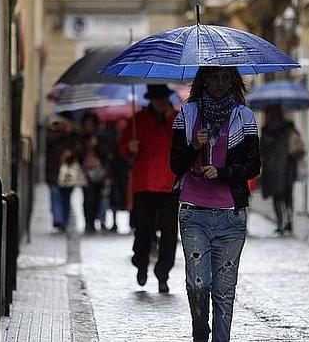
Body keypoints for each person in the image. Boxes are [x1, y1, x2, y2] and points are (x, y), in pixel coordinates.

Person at [171, 66, 260, 342]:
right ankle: (200, 331)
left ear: (233, 80)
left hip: (230, 216)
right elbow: (175, 165)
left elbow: (253, 165)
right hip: (193, 213)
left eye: (225, 77)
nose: (220, 83)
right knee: (198, 284)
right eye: (213, 77)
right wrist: (194, 148)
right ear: (203, 81)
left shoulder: (243, 117)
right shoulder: (186, 116)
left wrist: (223, 173)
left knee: (224, 290)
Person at [119, 84, 180, 293]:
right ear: (150, 100)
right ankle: (141, 262)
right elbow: (123, 149)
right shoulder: (138, 120)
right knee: (143, 230)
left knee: (170, 232)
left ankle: (163, 272)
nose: (161, 102)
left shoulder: (177, 119)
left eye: (163, 98)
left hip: (169, 184)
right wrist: (130, 147)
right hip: (144, 184)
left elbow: (186, 146)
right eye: (156, 99)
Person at [260, 104, 304, 234]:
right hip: (288, 167)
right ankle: (289, 221)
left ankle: (281, 223)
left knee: (277, 198)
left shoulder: (267, 130)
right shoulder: (289, 128)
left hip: (273, 170)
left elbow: (261, 150)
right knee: (288, 196)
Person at [45, 115, 83, 232]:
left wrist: (71, 152)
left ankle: (64, 221)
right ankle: (58, 220)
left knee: (66, 197)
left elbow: (79, 149)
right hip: (53, 171)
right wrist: (65, 133)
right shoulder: (52, 132)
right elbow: (50, 142)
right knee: (55, 194)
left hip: (68, 173)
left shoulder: (74, 134)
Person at [81, 112, 110, 233]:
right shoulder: (81, 138)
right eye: (86, 124)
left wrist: (96, 146)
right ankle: (89, 222)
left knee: (98, 197)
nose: (89, 126)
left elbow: (105, 153)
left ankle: (95, 220)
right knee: (88, 198)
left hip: (99, 171)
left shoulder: (101, 137)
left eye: (91, 124)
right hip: (85, 171)